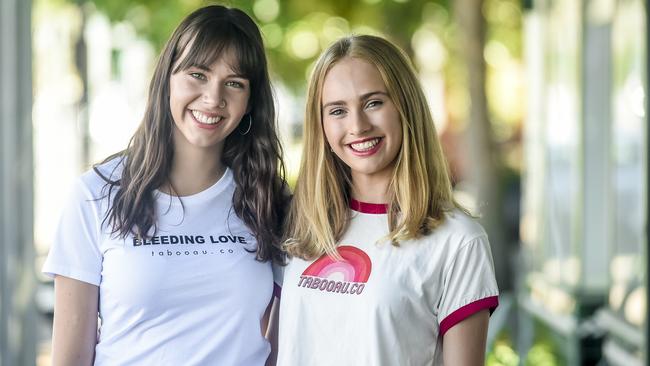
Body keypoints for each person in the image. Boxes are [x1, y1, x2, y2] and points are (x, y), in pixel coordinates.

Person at [43, 5, 287, 365]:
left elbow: (281, 345)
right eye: (197, 74)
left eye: (234, 83)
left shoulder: (269, 200)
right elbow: (70, 358)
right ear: (167, 79)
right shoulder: (96, 194)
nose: (213, 98)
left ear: (251, 101)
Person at [277, 35, 499, 365]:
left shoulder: (457, 241)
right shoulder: (302, 224)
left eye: (374, 103)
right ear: (320, 125)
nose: (358, 126)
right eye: (337, 110)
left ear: (405, 106)